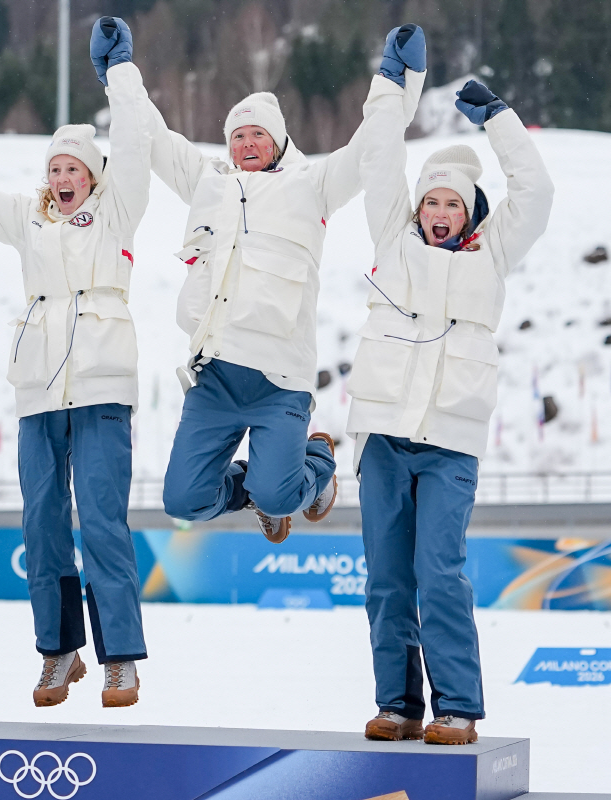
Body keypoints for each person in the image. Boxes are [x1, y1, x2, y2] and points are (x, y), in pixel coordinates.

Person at [346, 25, 554, 746]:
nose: (438, 214)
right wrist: (392, 86)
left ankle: (457, 706)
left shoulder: (493, 254)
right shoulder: (390, 238)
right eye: (431, 202)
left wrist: (497, 119)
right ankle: (398, 704)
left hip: (448, 442)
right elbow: (376, 155)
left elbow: (538, 188)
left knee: (439, 573)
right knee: (385, 582)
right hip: (382, 437)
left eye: (451, 205)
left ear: (470, 212)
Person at [148, 28, 417, 545]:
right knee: (185, 500)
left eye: (258, 135)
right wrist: (119, 73)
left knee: (279, 495)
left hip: (279, 380)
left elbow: (371, 147)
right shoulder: (209, 184)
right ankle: (261, 487)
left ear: (278, 141)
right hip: (216, 378)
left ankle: (314, 466)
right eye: (238, 137)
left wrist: (394, 80)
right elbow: (155, 139)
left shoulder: (311, 186)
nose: (247, 144)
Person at [0, 17, 150, 708]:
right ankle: (59, 651)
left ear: (92, 178)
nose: (62, 178)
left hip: (99, 386)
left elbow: (134, 143)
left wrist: (117, 73)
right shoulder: (31, 219)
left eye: (73, 170)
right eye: (54, 169)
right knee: (40, 522)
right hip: (38, 391)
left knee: (100, 519)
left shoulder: (117, 211)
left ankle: (119, 655)